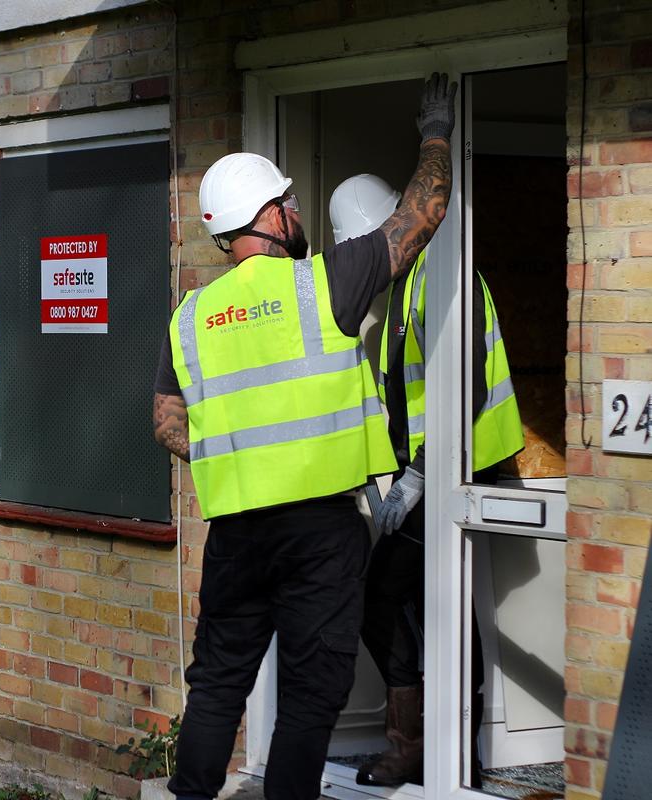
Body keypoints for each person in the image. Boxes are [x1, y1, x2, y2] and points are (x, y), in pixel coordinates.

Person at [151, 74, 457, 800]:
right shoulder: (322, 281)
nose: (297, 210)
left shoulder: (191, 314)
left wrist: (237, 450)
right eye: (287, 202)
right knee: (311, 696)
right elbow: (421, 214)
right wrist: (437, 131)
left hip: (235, 535)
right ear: (265, 215)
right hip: (318, 530)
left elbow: (166, 421)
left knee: (219, 685)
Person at [328, 173, 524, 788]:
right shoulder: (406, 292)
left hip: (461, 471)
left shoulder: (442, 278)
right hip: (434, 472)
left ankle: (428, 748)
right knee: (423, 605)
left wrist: (415, 474)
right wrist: (387, 475)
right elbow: (402, 401)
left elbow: (459, 384)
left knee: (394, 599)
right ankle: (440, 750)